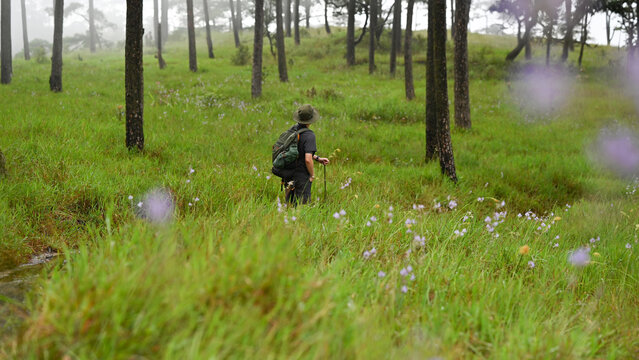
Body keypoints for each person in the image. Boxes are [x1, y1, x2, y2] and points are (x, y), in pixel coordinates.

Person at [285, 104, 330, 205]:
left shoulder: (292, 130)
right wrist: (312, 175)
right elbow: (307, 159)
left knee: (288, 205)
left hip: (288, 173)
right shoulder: (309, 135)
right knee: (302, 206)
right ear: (310, 120)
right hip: (301, 176)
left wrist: (318, 158)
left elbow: (296, 152)